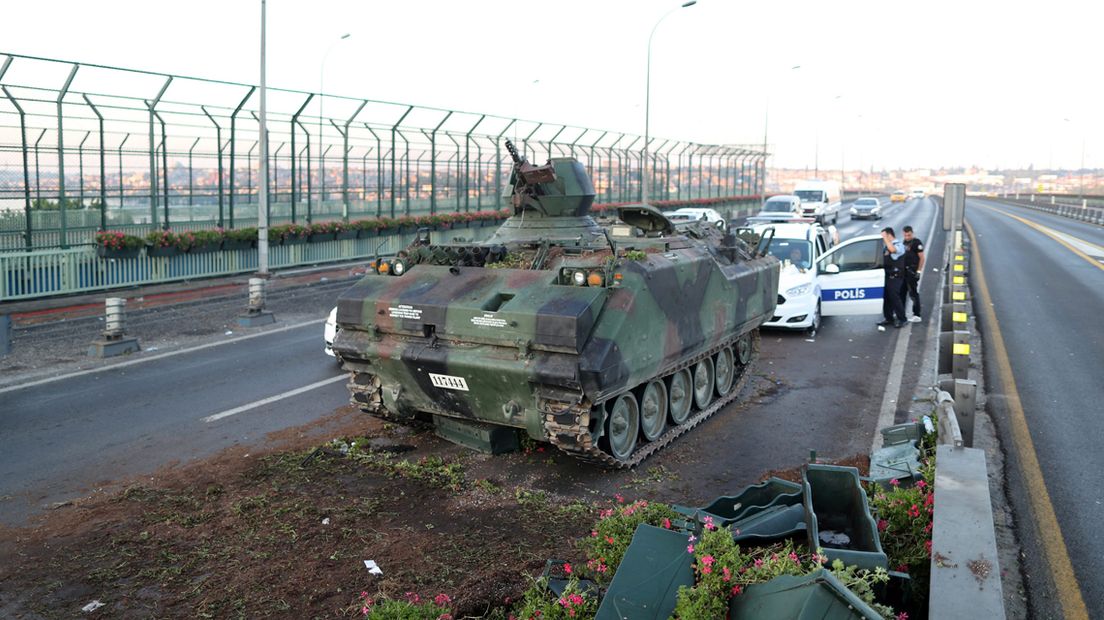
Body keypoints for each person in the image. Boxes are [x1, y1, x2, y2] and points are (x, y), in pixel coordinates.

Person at [877, 226, 907, 328]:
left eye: (884, 236)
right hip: (887, 276)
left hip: (896, 277)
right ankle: (889, 318)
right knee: (887, 299)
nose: (882, 239)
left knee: (895, 298)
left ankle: (902, 319)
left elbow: (893, 250)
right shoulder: (887, 246)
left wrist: (885, 238)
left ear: (889, 235)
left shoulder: (899, 245)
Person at [900, 226, 925, 322]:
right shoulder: (904, 242)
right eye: (905, 235)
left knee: (913, 294)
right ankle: (901, 313)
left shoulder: (916, 243)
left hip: (912, 272)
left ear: (912, 233)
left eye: (909, 235)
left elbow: (922, 258)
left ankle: (917, 314)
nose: (907, 237)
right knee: (902, 293)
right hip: (904, 272)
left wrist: (918, 271)